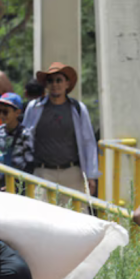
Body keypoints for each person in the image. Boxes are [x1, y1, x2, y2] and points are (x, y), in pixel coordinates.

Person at [21, 62, 100, 200]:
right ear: (46, 85)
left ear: (67, 84)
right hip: (42, 172)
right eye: (50, 81)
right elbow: (24, 138)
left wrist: (91, 175)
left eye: (59, 80)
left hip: (72, 173)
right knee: (41, 218)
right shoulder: (34, 108)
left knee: (76, 217)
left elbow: (89, 142)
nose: (55, 84)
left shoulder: (78, 109)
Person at [0, 92, 32, 189]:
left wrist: (14, 184)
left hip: (19, 183)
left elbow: (30, 164)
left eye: (5, 112)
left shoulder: (25, 134)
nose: (1, 115)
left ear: (17, 112)